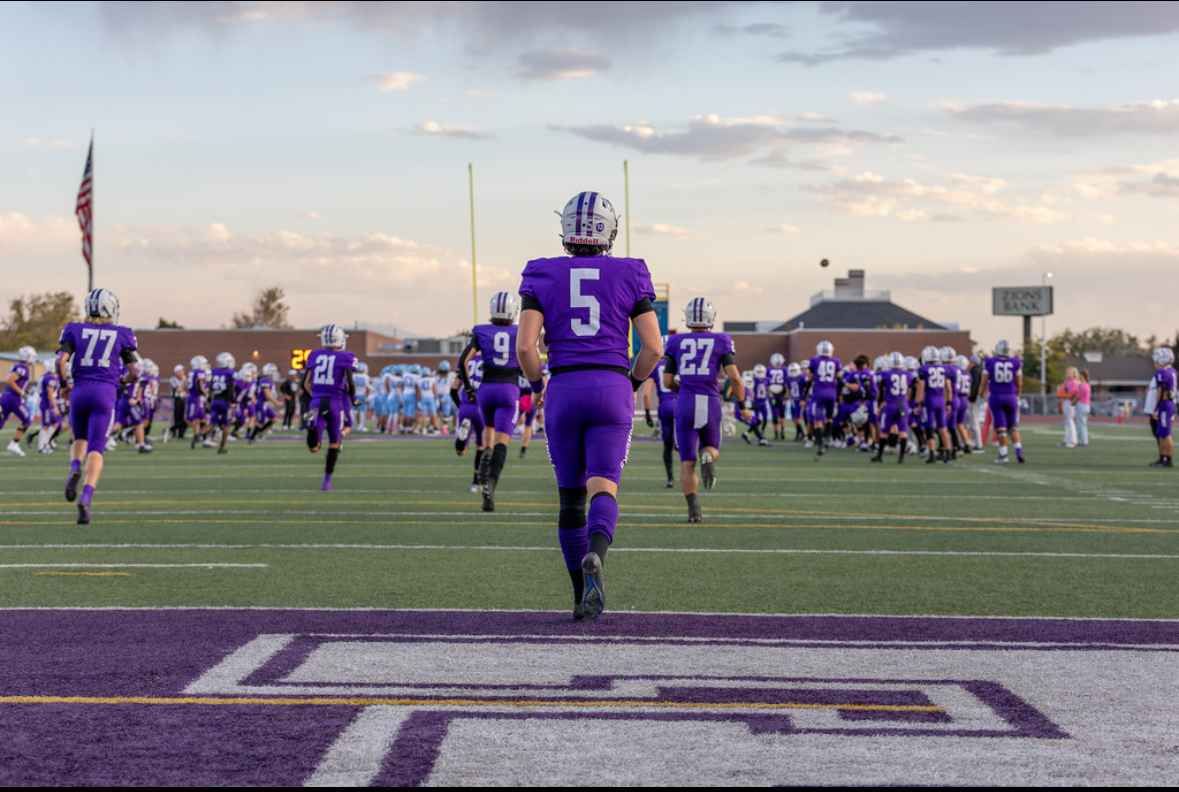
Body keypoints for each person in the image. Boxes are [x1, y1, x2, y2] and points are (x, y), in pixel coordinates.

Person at [517, 190, 661, 621]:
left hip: (563, 387)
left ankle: (581, 597)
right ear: (608, 230)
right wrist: (631, 383)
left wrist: (540, 383)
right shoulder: (631, 271)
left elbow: (526, 347)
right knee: (604, 486)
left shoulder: (541, 273)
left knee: (569, 499)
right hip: (612, 385)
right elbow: (653, 347)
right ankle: (598, 553)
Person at [56, 288, 141, 524]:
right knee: (96, 449)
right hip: (105, 392)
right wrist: (121, 382)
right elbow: (135, 371)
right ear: (110, 309)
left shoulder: (74, 329)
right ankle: (86, 497)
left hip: (80, 391)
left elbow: (60, 360)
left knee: (79, 438)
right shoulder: (122, 333)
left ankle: (75, 468)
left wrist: (64, 384)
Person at [664, 298, 749, 523]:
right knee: (711, 447)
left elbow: (667, 381)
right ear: (711, 318)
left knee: (685, 461)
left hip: (685, 403)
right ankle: (708, 455)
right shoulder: (721, 340)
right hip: (710, 402)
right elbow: (735, 378)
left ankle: (694, 507)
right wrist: (742, 406)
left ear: (688, 317)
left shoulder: (676, 341)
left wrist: (682, 388)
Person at [459, 292, 524, 512]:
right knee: (502, 442)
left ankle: (486, 451)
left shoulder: (482, 331)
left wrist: (468, 388)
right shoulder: (518, 332)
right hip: (508, 389)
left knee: (489, 428)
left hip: (486, 390)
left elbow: (462, 361)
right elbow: (527, 355)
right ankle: (491, 482)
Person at [304, 325, 359, 490]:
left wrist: (314, 396)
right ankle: (326, 482)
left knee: (314, 448)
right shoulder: (346, 357)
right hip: (335, 403)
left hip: (316, 401)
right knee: (334, 443)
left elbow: (305, 383)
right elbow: (350, 383)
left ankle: (311, 427)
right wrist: (354, 399)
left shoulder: (314, 355)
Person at [978, 339, 1025, 464]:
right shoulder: (1016, 362)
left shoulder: (989, 362)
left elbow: (983, 382)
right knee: (1013, 426)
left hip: (996, 396)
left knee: (1001, 428)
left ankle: (1003, 454)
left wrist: (980, 395)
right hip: (1011, 396)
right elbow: (1019, 383)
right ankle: (1019, 451)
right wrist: (1017, 395)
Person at [2, 345, 37, 456]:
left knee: (1, 422)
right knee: (27, 419)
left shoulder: (17, 366)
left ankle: (14, 444)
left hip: (6, 396)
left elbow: (15, 383)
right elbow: (10, 381)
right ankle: (14, 444)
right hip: (13, 398)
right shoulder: (23, 367)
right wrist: (21, 392)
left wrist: (25, 392)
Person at [1150, 347, 1176, 468]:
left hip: (1165, 404)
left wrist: (1156, 409)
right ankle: (1162, 457)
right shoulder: (1172, 371)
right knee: (1161, 432)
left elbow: (1160, 393)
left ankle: (1167, 458)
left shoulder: (1162, 373)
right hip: (1169, 404)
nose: (1155, 362)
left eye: (1156, 360)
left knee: (1165, 433)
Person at [1057, 367, 1079, 448]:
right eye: (1067, 372)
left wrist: (1062, 395)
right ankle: (1066, 440)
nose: (1067, 374)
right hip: (1066, 402)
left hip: (1071, 402)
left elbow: (1072, 394)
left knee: (1070, 421)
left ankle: (1073, 441)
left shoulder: (1074, 382)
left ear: (1074, 374)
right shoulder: (1066, 382)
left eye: (1070, 372)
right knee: (1066, 421)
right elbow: (1061, 390)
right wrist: (1059, 394)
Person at [1076, 369, 1091, 447]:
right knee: (1082, 424)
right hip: (1086, 405)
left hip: (1082, 404)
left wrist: (1072, 402)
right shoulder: (1087, 385)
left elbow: (1079, 396)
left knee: (1081, 424)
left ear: (1082, 376)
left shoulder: (1083, 385)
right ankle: (1083, 441)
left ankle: (1083, 441)